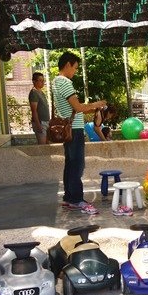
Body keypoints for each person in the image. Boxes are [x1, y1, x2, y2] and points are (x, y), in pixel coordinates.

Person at [53, 52, 106, 213]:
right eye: (75, 68)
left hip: (68, 130)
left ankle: (69, 197)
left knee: (70, 164)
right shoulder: (65, 82)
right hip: (74, 130)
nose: (75, 71)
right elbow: (78, 107)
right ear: (68, 64)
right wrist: (96, 104)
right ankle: (76, 199)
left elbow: (73, 107)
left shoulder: (55, 81)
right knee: (77, 165)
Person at [28, 72, 50, 144]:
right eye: (40, 80)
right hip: (40, 122)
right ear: (34, 81)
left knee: (47, 144)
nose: (42, 82)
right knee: (42, 145)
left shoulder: (41, 92)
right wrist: (38, 125)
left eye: (43, 80)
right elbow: (34, 111)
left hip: (46, 121)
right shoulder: (34, 93)